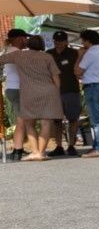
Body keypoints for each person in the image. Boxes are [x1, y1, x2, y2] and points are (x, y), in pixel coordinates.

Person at [0, 33, 65, 161]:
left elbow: (1, 59)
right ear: (42, 45)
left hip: (28, 92)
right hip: (48, 91)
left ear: (28, 44)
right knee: (46, 123)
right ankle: (41, 153)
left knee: (29, 123)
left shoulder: (19, 55)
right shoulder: (47, 57)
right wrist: (56, 92)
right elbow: (56, 78)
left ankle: (35, 152)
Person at [74, 29, 99, 158]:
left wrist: (79, 56)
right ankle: (96, 146)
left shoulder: (90, 53)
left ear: (87, 41)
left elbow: (78, 71)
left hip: (92, 87)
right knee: (97, 118)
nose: (82, 43)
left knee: (96, 120)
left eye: (82, 40)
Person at [48, 30, 81, 156]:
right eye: (56, 41)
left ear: (66, 42)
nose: (58, 43)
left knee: (73, 119)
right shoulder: (48, 53)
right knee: (56, 121)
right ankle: (59, 146)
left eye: (61, 41)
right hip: (54, 92)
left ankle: (71, 145)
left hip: (72, 90)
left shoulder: (74, 53)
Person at [3, 28, 29, 160]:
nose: (26, 40)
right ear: (19, 39)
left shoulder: (8, 51)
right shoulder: (17, 53)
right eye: (25, 38)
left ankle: (19, 148)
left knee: (22, 119)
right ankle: (17, 150)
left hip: (11, 88)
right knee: (21, 120)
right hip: (18, 88)